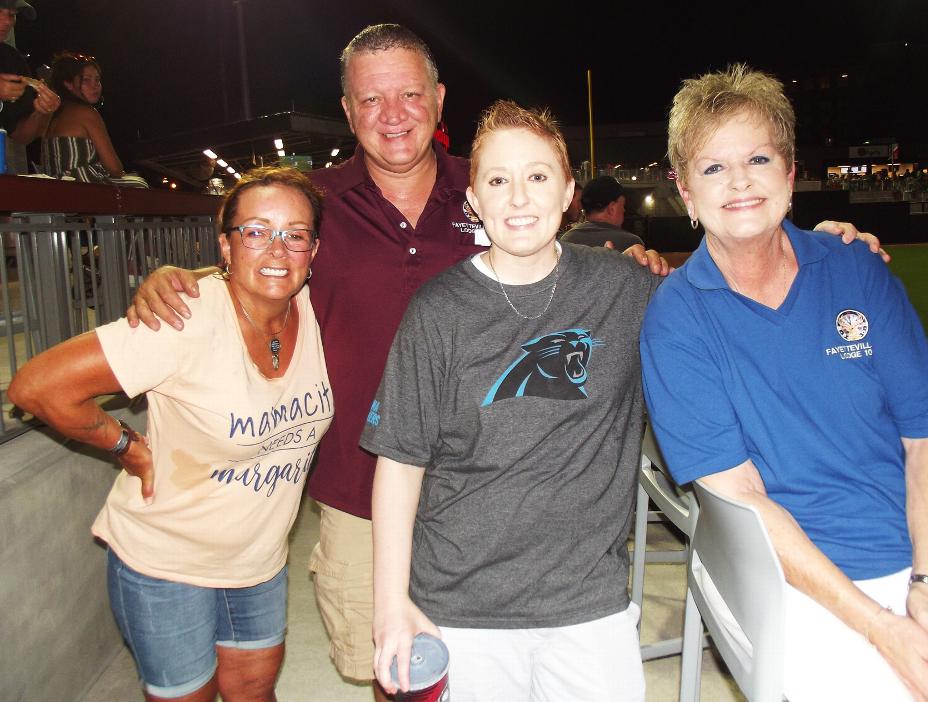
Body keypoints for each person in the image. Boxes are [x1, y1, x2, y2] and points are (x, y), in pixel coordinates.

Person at [123, 25, 880, 699]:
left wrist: (817, 249)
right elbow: (258, 262)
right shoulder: (312, 203)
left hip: (559, 562)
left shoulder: (493, 185)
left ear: (440, 101)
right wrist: (182, 280)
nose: (393, 112)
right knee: (392, 666)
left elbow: (710, 293)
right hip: (366, 487)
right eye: (371, 98)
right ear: (349, 110)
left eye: (410, 93)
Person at [640, 65, 928, 702]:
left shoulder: (856, 266)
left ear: (788, 170)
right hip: (795, 577)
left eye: (757, 157)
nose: (741, 181)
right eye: (713, 167)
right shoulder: (677, 318)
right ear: (686, 193)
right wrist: (880, 625)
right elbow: (745, 499)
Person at [366, 100, 657, 701]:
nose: (519, 198)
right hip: (462, 600)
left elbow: (728, 292)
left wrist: (828, 247)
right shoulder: (437, 311)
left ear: (569, 191)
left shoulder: (625, 290)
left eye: (538, 176)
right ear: (473, 199)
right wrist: (390, 605)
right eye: (498, 180)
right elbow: (399, 464)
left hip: (587, 600)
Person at [8, 166, 333, 702]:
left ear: (313, 250)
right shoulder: (184, 320)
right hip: (167, 562)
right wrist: (126, 446)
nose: (277, 249)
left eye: (294, 234)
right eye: (255, 231)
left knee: (254, 689)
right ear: (227, 246)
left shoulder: (310, 307)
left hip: (257, 560)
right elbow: (36, 386)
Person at [39, 51, 147, 186]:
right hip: (84, 187)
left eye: (97, 79)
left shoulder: (50, 114)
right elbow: (114, 167)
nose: (95, 85)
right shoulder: (86, 113)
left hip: (54, 188)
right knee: (140, 184)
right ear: (68, 84)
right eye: (86, 80)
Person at [0, 0, 60, 173]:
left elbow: (21, 135)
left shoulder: (12, 60)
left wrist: (40, 111)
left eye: (11, 15)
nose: (6, 22)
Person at [561, 174, 643, 250]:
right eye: (622, 206)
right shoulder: (632, 244)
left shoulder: (566, 239)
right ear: (612, 209)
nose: (624, 210)